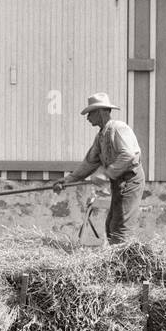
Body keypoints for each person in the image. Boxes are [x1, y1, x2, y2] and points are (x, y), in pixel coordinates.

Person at [53, 92, 145, 245]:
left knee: (121, 227)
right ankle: (116, 261)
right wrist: (67, 180)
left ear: (101, 112)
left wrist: (107, 173)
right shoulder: (101, 136)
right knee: (111, 227)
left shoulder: (119, 128)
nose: (88, 118)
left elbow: (128, 155)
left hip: (131, 180)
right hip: (118, 182)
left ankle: (124, 264)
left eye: (90, 113)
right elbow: (89, 163)